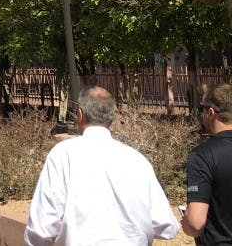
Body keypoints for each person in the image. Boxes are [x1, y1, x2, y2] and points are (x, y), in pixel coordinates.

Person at [23, 86, 179, 246]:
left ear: (80, 115)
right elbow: (166, 226)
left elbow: (42, 229)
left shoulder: (63, 155)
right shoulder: (137, 160)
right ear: (112, 118)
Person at [183, 83, 232, 243]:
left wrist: (185, 222)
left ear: (210, 113)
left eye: (201, 109)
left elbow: (195, 223)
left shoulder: (202, 156)